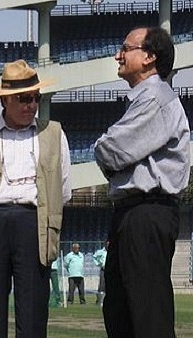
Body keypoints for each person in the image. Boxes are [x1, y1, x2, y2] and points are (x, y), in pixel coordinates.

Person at [0, 59, 71, 338]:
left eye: (35, 98)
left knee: (34, 312)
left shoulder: (55, 133)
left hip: (35, 223)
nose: (31, 105)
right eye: (23, 99)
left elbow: (64, 189)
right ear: (5, 100)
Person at [94, 26, 190, 338]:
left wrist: (104, 151)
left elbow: (112, 150)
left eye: (126, 48)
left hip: (147, 213)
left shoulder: (155, 97)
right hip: (131, 211)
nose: (118, 55)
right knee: (121, 311)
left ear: (149, 57)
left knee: (146, 313)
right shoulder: (142, 99)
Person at [93, 240, 109, 306]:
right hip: (103, 269)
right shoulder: (101, 252)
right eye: (107, 244)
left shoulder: (113, 251)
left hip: (110, 270)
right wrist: (99, 263)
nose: (108, 245)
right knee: (102, 285)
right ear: (105, 245)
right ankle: (99, 301)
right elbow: (94, 257)